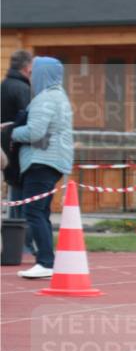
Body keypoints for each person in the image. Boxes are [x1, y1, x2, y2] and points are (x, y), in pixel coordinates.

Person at [11, 56, 74, 280]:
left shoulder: (45, 99)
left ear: (42, 74)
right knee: (41, 212)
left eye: (34, 71)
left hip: (41, 162)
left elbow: (34, 133)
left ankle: (45, 262)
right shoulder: (59, 96)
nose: (31, 76)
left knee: (34, 212)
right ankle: (47, 260)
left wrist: (11, 133)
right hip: (52, 161)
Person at [1, 50, 34, 247]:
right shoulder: (22, 89)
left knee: (14, 193)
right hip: (17, 147)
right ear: (26, 67)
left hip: (4, 146)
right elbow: (28, 118)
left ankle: (12, 240)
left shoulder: (4, 85)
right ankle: (22, 243)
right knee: (22, 195)